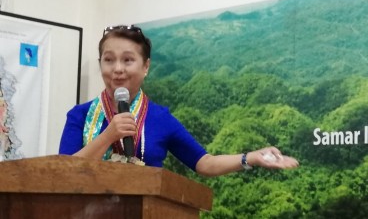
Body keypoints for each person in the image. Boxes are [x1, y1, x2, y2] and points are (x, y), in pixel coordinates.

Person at [59, 25, 299, 176]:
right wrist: (108, 136)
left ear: (146, 67)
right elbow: (61, 171)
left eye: (128, 60)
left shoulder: (160, 118)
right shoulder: (80, 115)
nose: (117, 69)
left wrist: (251, 158)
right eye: (109, 60)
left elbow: (204, 163)